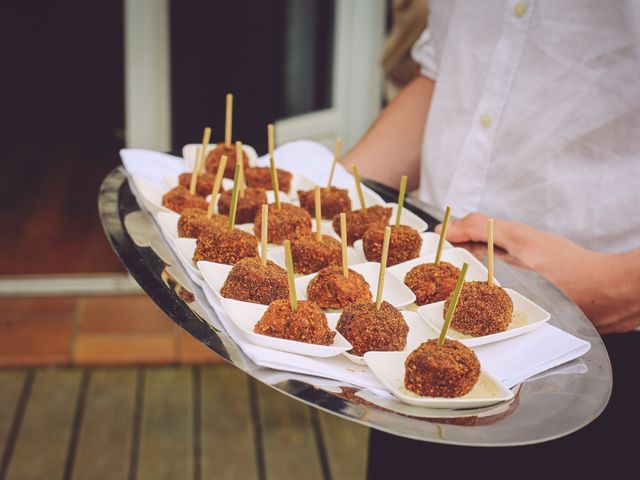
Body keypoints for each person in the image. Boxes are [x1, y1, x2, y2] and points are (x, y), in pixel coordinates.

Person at [340, 1, 640, 478]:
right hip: (414, 317)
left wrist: (627, 285)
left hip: (601, 334)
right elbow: (448, 75)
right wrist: (335, 191)